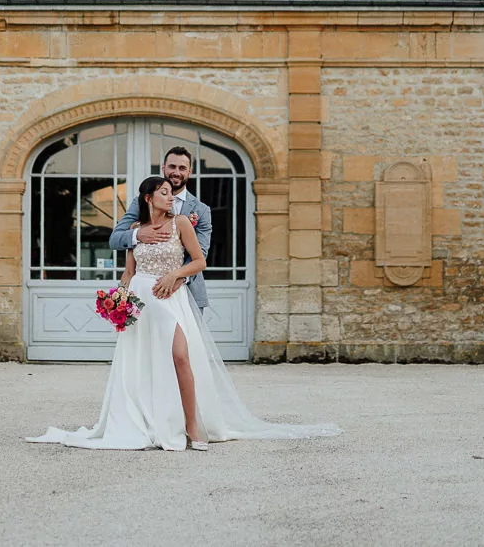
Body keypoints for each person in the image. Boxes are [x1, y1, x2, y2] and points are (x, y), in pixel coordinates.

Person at [28, 175, 342, 452]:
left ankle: (193, 425)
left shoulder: (181, 223)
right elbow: (128, 272)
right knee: (141, 363)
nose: (170, 196)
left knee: (181, 356)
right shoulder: (137, 229)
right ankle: (149, 420)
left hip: (170, 297)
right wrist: (119, 302)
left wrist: (175, 276)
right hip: (140, 299)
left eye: (170, 192)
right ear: (149, 198)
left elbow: (199, 260)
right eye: (163, 192)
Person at [107, 146, 211, 313]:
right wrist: (138, 235)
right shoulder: (141, 201)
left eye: (182, 168)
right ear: (163, 168)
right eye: (172, 166)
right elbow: (115, 239)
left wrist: (178, 277)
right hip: (144, 293)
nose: (176, 172)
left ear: (189, 171)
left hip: (186, 291)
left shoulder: (201, 210)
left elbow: (201, 254)